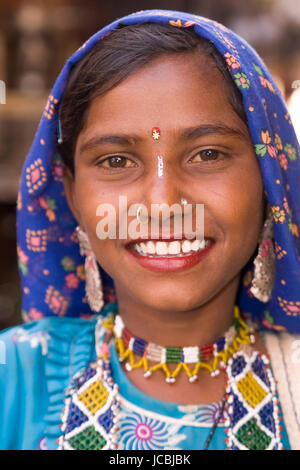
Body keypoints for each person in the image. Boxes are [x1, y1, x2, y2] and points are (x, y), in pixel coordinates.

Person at [0, 9, 300, 451]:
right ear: (73, 195)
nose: (161, 205)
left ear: (270, 183)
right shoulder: (13, 379)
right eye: (116, 161)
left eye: (208, 154)